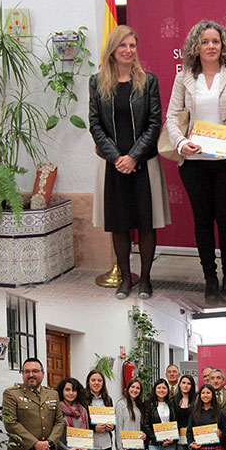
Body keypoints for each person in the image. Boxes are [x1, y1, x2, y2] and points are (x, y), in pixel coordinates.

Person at [166, 20, 226, 300]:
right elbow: (172, 116)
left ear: (223, 45)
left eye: (215, 41)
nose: (211, 46)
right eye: (205, 42)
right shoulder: (184, 77)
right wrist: (180, 142)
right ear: (195, 47)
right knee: (202, 221)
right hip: (195, 162)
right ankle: (209, 278)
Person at [89, 25, 169, 300]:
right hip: (113, 165)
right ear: (112, 49)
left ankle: (145, 279)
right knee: (119, 224)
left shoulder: (149, 81)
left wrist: (133, 156)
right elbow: (95, 124)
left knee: (146, 224)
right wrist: (117, 158)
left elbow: (154, 122)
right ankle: (125, 278)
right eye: (122, 45)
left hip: (143, 163)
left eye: (132, 45)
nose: (128, 50)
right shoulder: (97, 82)